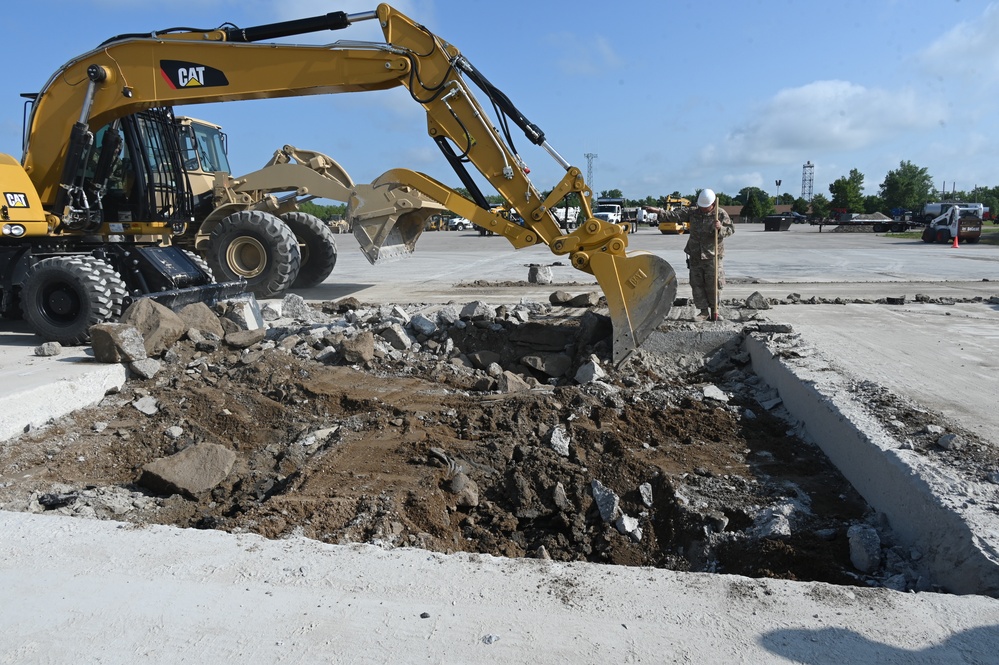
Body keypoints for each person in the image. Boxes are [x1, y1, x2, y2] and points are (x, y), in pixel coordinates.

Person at [658, 188, 735, 321]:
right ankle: (703, 312)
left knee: (714, 284)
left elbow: (731, 230)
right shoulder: (693, 212)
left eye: (706, 207)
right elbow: (674, 216)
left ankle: (715, 310)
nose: (703, 209)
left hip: (713, 256)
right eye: (701, 206)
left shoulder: (720, 214)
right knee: (697, 284)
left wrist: (720, 228)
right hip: (695, 255)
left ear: (713, 204)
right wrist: (658, 211)